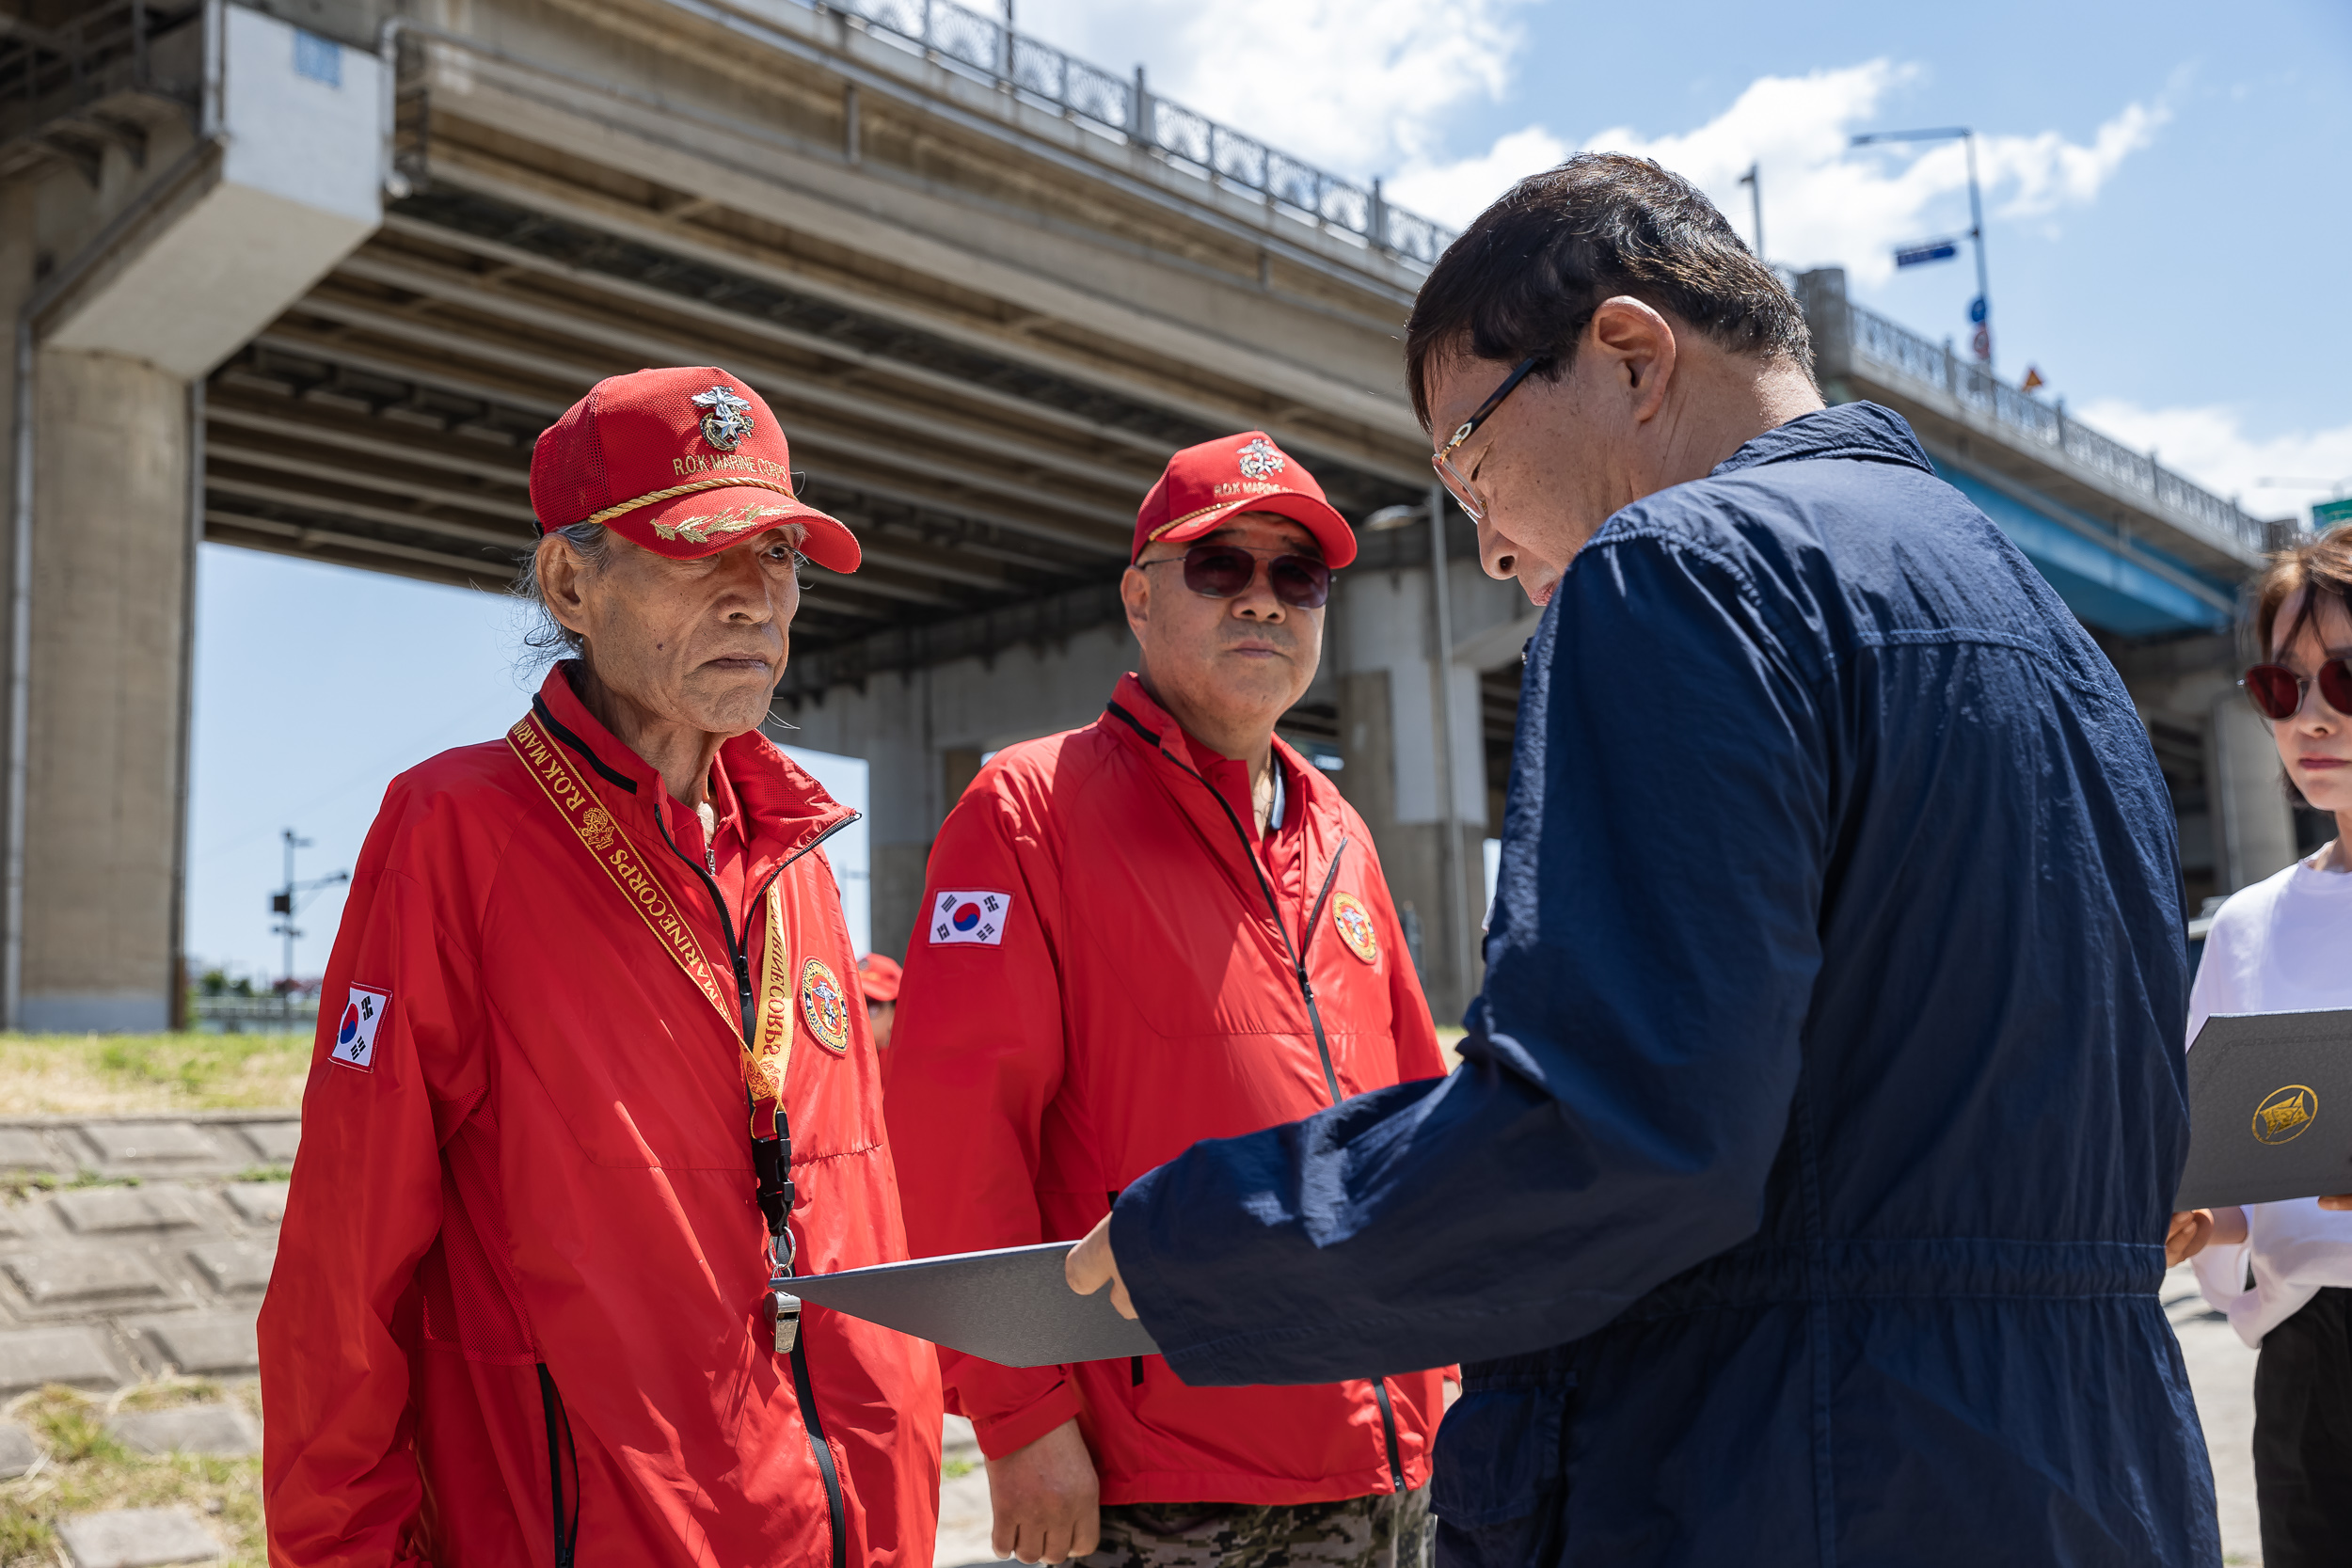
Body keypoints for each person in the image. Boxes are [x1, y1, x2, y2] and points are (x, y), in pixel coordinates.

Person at [1067, 154, 2220, 1566]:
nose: (1486, 545)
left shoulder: (1682, 567)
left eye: (1471, 459)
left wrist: (1203, 1237)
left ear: (1626, 353)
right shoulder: (2051, 636)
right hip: (2098, 1476)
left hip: (1791, 1473)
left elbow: (1615, 1132)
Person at [261, 367, 942, 1566]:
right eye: (700, 553)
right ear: (572, 581)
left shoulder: (797, 855)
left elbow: (863, 1225)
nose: (753, 600)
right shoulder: (452, 833)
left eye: (777, 558)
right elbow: (341, 1265)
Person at [885, 432, 1452, 1568]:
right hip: (1167, 1481)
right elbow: (955, 1136)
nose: (1263, 600)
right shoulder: (1027, 810)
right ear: (1139, 597)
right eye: (1219, 567)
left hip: (1385, 1453)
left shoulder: (1337, 828)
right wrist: (1021, 1420)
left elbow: (1414, 1121)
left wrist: (1448, 1378)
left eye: (1296, 576)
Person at [2168, 525, 2352, 1567]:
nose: (2311, 714)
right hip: (2306, 1370)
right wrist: (2189, 1217)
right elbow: (2232, 1177)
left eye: (2344, 677)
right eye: (2282, 689)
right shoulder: (2245, 926)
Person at [859, 951, 902, 1051]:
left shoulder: (911, 1064)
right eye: (849, 1003)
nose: (856, 1014)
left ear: (895, 1013)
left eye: (870, 1005)